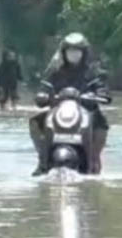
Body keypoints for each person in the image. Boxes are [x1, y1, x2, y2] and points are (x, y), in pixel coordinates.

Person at [29, 32, 111, 176]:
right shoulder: (55, 71)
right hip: (58, 113)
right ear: (64, 52)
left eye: (77, 51)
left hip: (87, 113)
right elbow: (44, 89)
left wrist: (97, 95)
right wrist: (43, 96)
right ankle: (42, 160)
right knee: (35, 122)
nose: (74, 54)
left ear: (84, 53)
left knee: (101, 125)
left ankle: (93, 160)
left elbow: (102, 91)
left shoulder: (92, 72)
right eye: (70, 51)